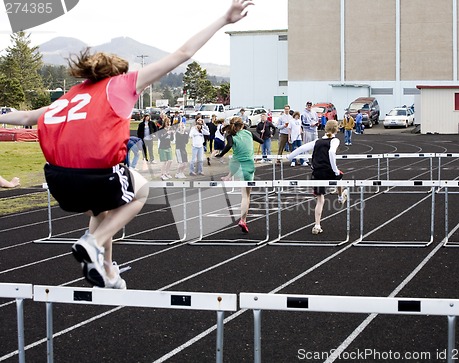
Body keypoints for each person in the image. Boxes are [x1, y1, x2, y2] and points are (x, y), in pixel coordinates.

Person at [0, 0, 254, 289]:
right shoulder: (121, 85)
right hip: (96, 175)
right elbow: (183, 53)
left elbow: (24, 117)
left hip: (59, 181)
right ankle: (92, 243)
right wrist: (224, 18)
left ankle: (107, 270)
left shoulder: (69, 96)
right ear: (117, 74)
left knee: (103, 214)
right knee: (141, 189)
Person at [287, 120, 348, 235]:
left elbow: (301, 149)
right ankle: (340, 196)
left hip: (317, 172)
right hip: (328, 171)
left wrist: (290, 157)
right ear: (336, 130)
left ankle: (317, 225)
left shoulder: (317, 141)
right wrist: (335, 170)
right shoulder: (335, 140)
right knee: (339, 176)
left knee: (320, 200)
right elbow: (331, 153)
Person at [215, 117, 263, 233]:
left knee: (236, 162)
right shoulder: (248, 133)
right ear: (242, 126)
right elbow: (261, 141)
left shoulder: (230, 136)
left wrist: (221, 155)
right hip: (248, 166)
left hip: (236, 165)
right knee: (246, 196)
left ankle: (228, 176)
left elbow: (229, 145)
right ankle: (243, 220)